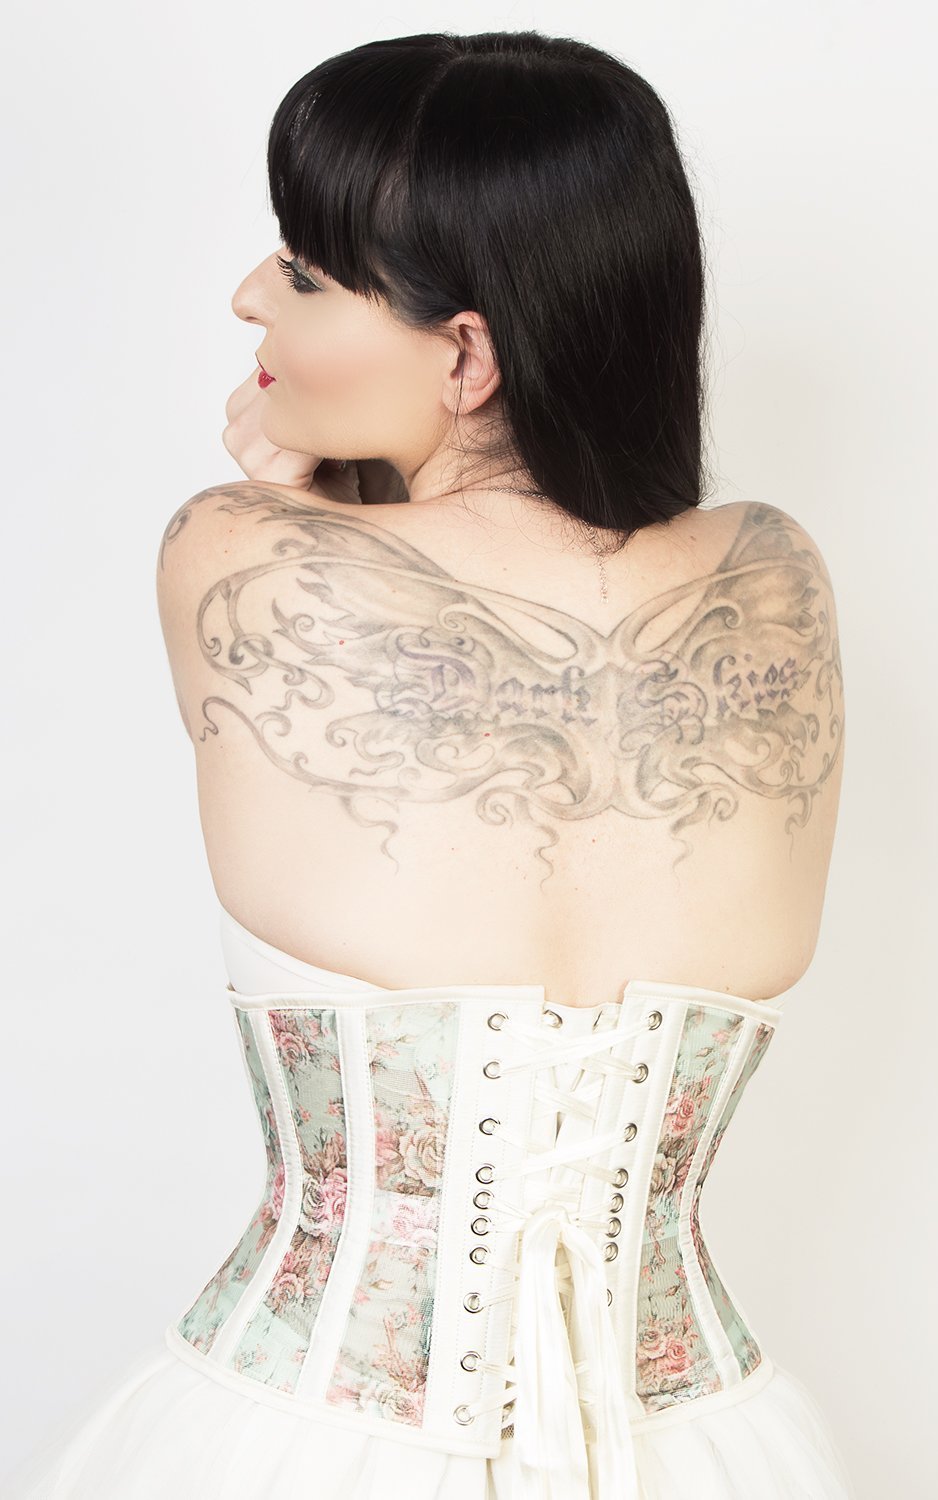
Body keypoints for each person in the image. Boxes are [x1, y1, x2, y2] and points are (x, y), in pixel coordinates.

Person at [7, 28, 857, 1500]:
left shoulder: (233, 548)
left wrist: (300, 495)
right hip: (701, 1446)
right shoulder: (775, 578)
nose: (248, 295)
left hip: (299, 1438)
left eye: (304, 273)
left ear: (466, 354)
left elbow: (388, 580)